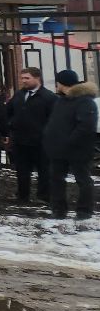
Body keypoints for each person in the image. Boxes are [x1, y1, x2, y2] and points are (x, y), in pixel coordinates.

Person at [41, 69, 97, 220]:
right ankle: (59, 210)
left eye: (57, 82)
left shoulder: (85, 101)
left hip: (78, 150)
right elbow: (55, 123)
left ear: (61, 83)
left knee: (83, 180)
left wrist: (69, 141)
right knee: (56, 179)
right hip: (58, 150)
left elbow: (86, 126)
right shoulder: (61, 100)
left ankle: (84, 211)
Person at [4, 67, 55, 205]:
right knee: (22, 170)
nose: (23, 81)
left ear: (37, 78)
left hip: (41, 142)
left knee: (44, 170)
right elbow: (8, 112)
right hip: (20, 140)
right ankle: (22, 195)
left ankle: (43, 196)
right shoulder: (20, 95)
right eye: (22, 78)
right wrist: (10, 126)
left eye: (27, 78)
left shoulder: (48, 97)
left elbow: (54, 119)